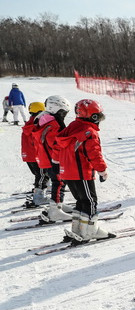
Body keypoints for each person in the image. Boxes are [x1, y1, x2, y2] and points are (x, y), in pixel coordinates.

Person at [57, 99, 114, 242]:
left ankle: (78, 229)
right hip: (81, 173)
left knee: (81, 201)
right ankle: (90, 231)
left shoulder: (72, 126)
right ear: (92, 116)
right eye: (98, 116)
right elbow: (94, 153)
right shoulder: (89, 132)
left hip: (68, 172)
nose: (99, 120)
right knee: (90, 201)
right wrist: (102, 170)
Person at [36, 95, 72, 223]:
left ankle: (59, 204)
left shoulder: (47, 120)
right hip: (53, 160)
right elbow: (56, 144)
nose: (64, 115)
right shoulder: (53, 125)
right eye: (63, 112)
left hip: (49, 159)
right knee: (59, 182)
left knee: (61, 181)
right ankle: (55, 211)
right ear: (55, 110)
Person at [21, 102, 49, 207]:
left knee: (39, 174)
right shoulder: (38, 123)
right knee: (43, 175)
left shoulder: (29, 123)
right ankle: (39, 197)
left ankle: (40, 189)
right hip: (36, 155)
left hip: (28, 155)